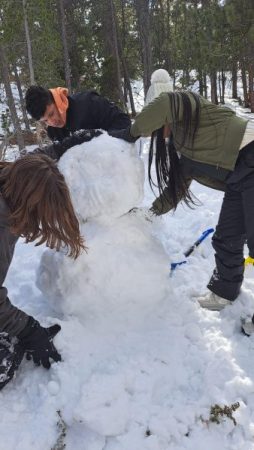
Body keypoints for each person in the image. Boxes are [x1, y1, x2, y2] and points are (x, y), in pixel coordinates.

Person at [109, 91, 254, 335]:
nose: (156, 132)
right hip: (238, 178)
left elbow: (165, 100)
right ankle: (223, 293)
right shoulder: (183, 150)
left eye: (156, 126)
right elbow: (175, 189)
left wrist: (130, 133)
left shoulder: (191, 113)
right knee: (226, 238)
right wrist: (149, 213)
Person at [0, 129, 100, 389]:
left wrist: (68, 144)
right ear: (30, 205)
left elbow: (32, 165)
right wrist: (29, 331)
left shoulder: (10, 178)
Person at [25, 86, 131, 143]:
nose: (52, 122)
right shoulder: (54, 133)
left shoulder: (89, 103)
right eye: (45, 120)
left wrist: (101, 141)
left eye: (51, 114)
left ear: (57, 101)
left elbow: (124, 122)